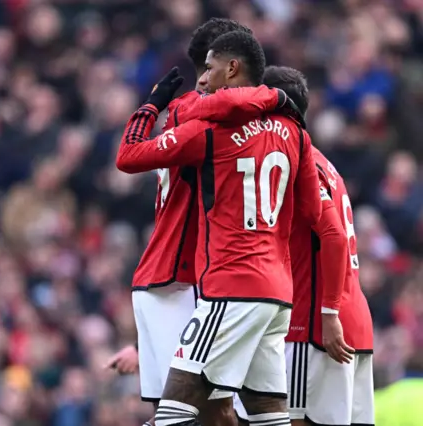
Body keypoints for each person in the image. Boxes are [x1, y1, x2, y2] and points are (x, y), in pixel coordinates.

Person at [116, 31, 323, 426]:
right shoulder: (296, 133)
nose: (203, 80)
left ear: (232, 68)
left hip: (231, 288)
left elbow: (128, 155)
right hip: (277, 295)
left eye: (209, 69)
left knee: (174, 409)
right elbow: (310, 212)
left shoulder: (209, 129)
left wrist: (149, 108)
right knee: (269, 415)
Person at [119, 18, 258, 426]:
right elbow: (127, 158)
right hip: (184, 279)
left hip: (168, 277)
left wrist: (149, 106)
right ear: (220, 67)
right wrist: (281, 99)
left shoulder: (182, 111)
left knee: (204, 411)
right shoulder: (203, 113)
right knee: (209, 412)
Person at [256, 66, 375, 426]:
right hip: (353, 322)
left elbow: (335, 236)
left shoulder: (300, 162)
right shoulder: (328, 165)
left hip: (315, 327)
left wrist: (328, 313)